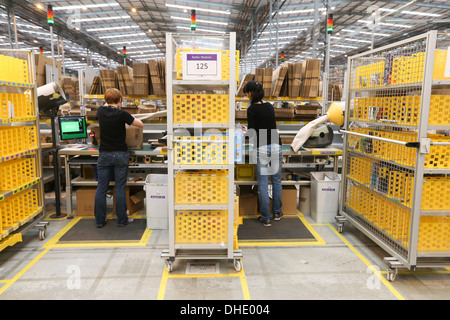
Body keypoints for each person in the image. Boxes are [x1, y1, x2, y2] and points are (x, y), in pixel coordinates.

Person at [94, 88, 144, 228]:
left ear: (106, 100)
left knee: (101, 188)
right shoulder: (122, 114)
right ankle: (122, 220)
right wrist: (132, 118)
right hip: (120, 155)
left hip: (104, 154)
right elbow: (140, 125)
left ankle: (99, 221)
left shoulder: (101, 111)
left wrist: (108, 102)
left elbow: (105, 106)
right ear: (120, 100)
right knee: (120, 188)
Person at [242, 81, 283, 227]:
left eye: (246, 93)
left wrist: (245, 131)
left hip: (262, 148)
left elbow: (252, 133)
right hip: (276, 145)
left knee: (264, 184)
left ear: (251, 93)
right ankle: (277, 212)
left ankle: (266, 217)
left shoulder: (252, 109)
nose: (246, 95)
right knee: (277, 181)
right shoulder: (269, 106)